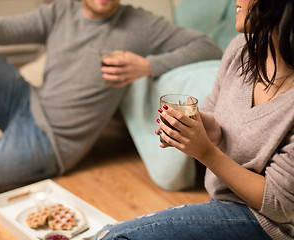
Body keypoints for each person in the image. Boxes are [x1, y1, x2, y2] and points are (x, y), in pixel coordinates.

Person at [0, 0, 222, 192]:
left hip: (49, 144)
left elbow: (206, 46)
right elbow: (5, 28)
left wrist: (148, 66)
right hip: (24, 101)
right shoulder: (61, 11)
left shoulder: (140, 24)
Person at [93, 0, 294, 239]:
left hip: (268, 226)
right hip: (223, 206)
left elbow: (279, 205)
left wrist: (205, 152)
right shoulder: (241, 49)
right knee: (107, 233)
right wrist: (203, 127)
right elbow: (216, 117)